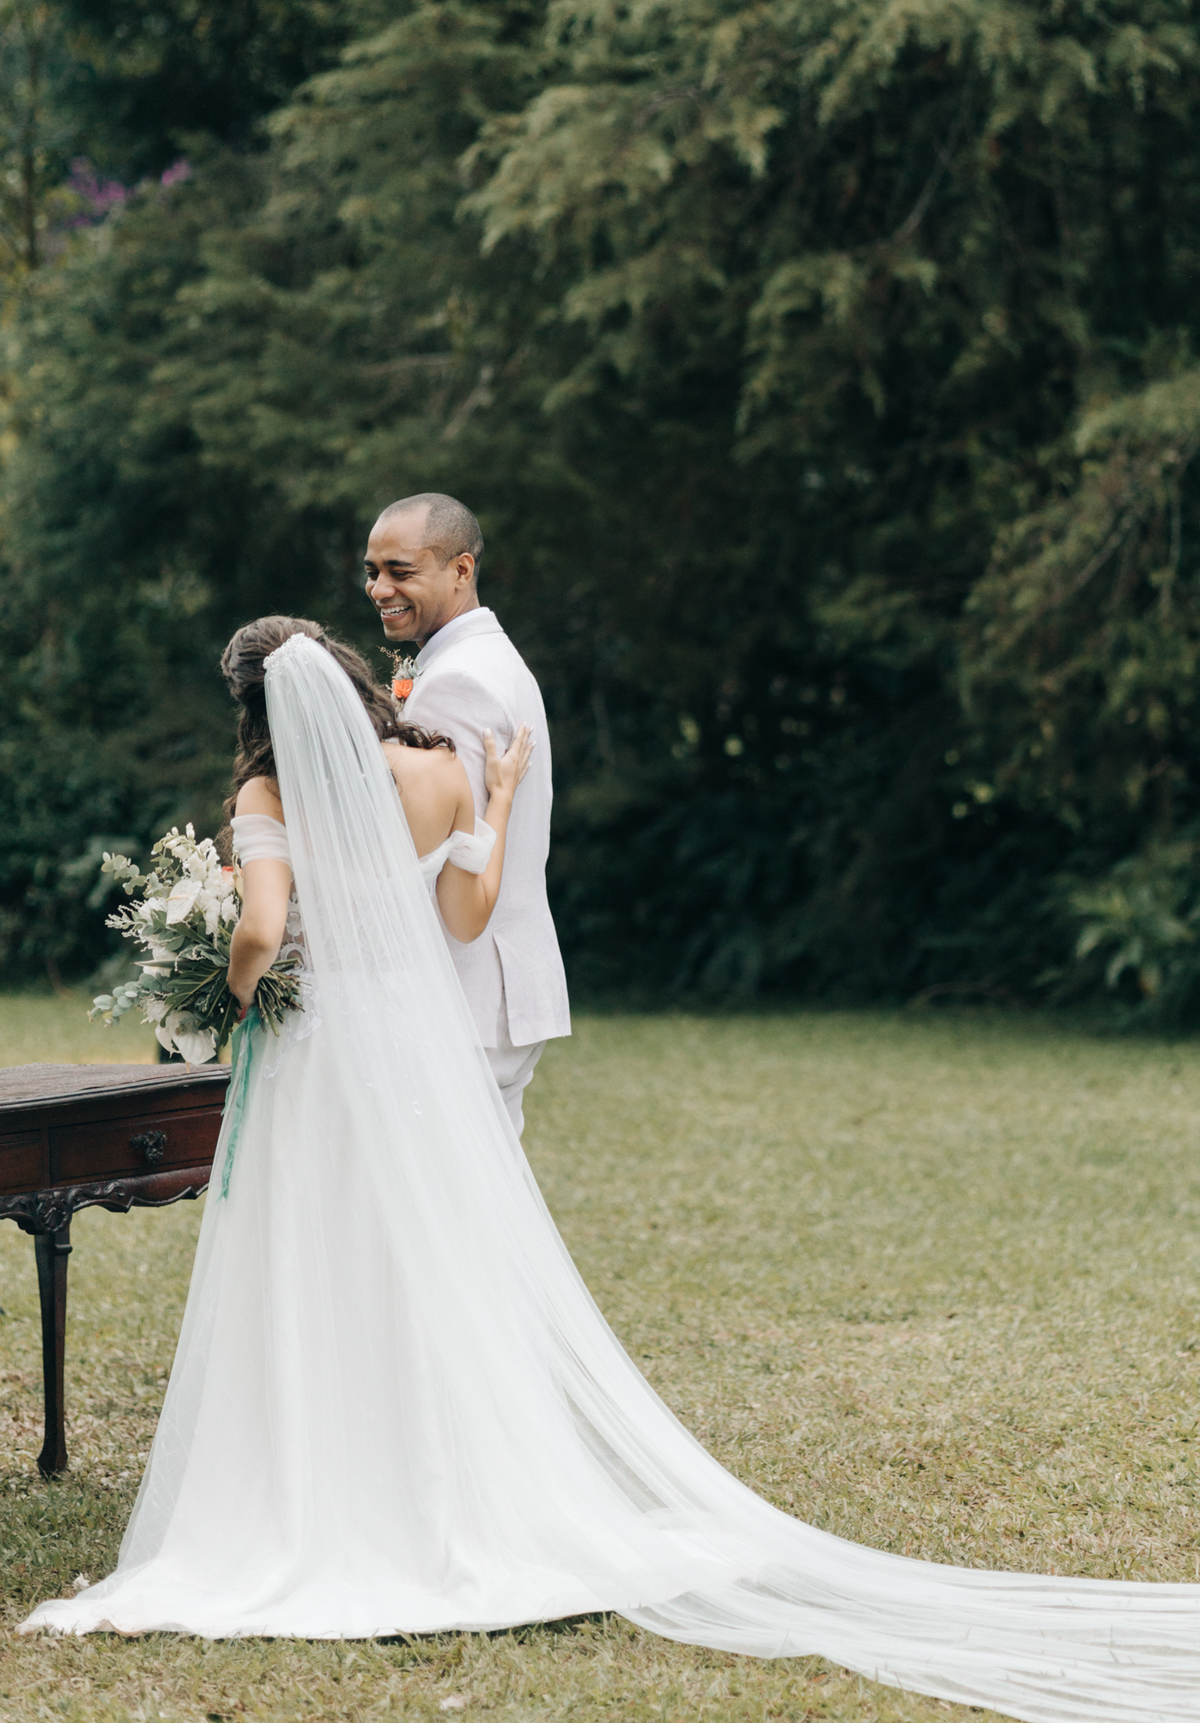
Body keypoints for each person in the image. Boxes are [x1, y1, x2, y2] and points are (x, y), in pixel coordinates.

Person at [20, 619, 1200, 1723]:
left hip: (321, 1057)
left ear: (255, 709)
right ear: (343, 672)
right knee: (431, 1257)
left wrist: (232, 1000)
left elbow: (259, 931)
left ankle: (324, 1486)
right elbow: (468, 917)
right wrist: (500, 796)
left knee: (317, 1256)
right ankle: (446, 1486)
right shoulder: (436, 768)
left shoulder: (269, 795)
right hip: (414, 1055)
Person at [363, 491, 569, 1133]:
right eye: (372, 571)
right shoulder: (496, 661)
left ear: (461, 569)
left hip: (464, 990)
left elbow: (436, 856)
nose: (379, 589)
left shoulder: (456, 683)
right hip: (502, 985)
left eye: (400, 571)